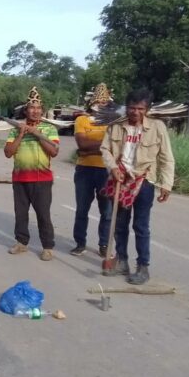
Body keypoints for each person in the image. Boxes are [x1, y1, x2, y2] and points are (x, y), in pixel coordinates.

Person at [100, 88, 174, 284]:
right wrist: (113, 167)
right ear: (127, 108)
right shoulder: (116, 126)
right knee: (120, 224)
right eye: (132, 108)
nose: (135, 112)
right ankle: (121, 261)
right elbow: (105, 149)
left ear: (147, 109)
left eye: (140, 109)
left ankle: (143, 267)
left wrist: (166, 184)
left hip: (144, 181)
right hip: (120, 180)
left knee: (141, 226)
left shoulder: (157, 127)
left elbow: (166, 157)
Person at [3, 86, 59, 260]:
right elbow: (8, 153)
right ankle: (21, 243)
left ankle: (47, 247)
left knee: (43, 214)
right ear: (26, 111)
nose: (35, 111)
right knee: (20, 213)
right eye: (31, 108)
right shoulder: (15, 129)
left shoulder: (49, 129)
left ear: (42, 110)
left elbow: (54, 151)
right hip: (20, 178)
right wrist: (21, 134)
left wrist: (37, 134)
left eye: (38, 108)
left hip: (42, 179)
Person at [70, 83, 113, 257]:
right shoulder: (82, 120)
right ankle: (80, 243)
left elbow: (116, 145)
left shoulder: (113, 122)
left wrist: (89, 149)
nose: (101, 105)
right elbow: (82, 144)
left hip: (107, 170)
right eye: (98, 102)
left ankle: (104, 244)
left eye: (105, 102)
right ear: (92, 103)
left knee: (107, 212)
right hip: (85, 170)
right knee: (82, 209)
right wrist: (104, 146)